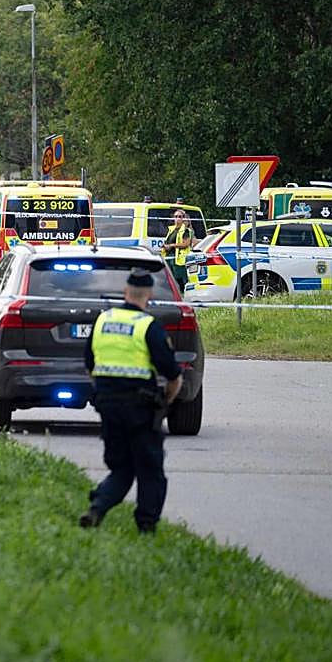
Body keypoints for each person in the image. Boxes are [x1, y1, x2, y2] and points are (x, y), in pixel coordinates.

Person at [79, 269, 183, 534]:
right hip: (141, 410)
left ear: (126, 292)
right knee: (150, 470)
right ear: (148, 295)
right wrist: (166, 403)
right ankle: (146, 527)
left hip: (108, 406)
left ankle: (97, 508)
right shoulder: (148, 326)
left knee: (122, 468)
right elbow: (174, 376)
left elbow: (90, 364)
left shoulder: (103, 320)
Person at [162, 209, 196, 293]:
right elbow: (168, 241)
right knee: (170, 278)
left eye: (180, 217)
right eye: (176, 216)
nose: (177, 218)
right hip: (169, 257)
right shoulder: (171, 229)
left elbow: (186, 244)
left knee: (179, 279)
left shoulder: (185, 230)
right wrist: (165, 246)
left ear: (183, 218)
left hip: (179, 258)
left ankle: (183, 295)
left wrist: (172, 245)